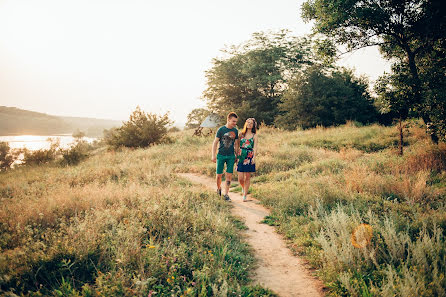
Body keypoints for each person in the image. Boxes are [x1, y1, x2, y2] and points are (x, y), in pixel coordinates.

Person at [212, 112, 239, 201]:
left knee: (229, 175)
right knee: (219, 175)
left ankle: (226, 194)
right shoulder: (221, 130)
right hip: (221, 155)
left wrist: (236, 155)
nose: (235, 123)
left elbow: (236, 144)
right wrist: (213, 155)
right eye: (233, 121)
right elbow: (215, 143)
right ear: (228, 120)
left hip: (231, 156)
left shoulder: (235, 131)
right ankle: (218, 189)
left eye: (236, 122)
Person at [236, 118, 258, 202]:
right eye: (248, 122)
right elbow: (237, 145)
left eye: (251, 123)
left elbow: (255, 148)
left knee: (247, 177)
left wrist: (254, 158)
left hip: (249, 156)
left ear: (253, 125)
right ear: (246, 123)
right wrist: (236, 156)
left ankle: (245, 195)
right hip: (241, 155)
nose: (249, 124)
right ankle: (243, 187)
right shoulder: (241, 134)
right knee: (240, 178)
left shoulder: (254, 135)